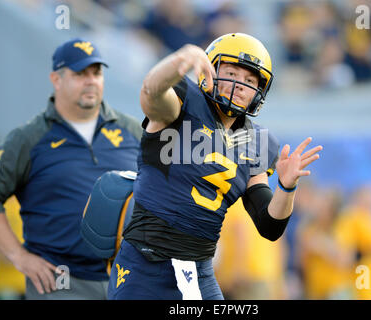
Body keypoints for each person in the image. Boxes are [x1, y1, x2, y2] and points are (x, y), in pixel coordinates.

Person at [107, 32, 322, 300]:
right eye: (231, 73)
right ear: (210, 70)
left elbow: (269, 225)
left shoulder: (258, 141)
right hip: (146, 261)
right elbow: (151, 92)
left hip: (199, 269)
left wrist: (286, 187)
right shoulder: (184, 101)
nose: (240, 85)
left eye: (249, 80)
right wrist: (178, 61)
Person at [0, 38, 142, 299]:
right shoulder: (28, 138)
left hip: (127, 279)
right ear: (56, 79)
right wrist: (19, 256)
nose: (91, 80)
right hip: (60, 283)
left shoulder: (132, 131)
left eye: (96, 73)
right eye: (80, 74)